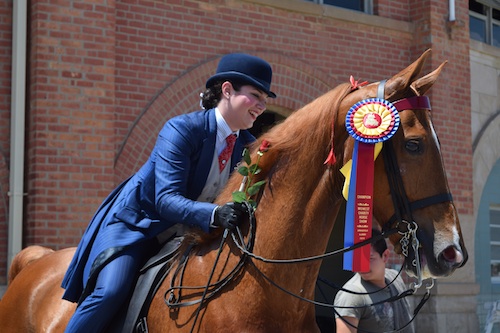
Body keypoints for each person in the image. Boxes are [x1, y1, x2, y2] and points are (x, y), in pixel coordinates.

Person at [61, 53, 276, 332]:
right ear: (227, 90)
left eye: (265, 99)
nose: (261, 105)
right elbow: (165, 200)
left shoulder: (248, 146)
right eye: (255, 95)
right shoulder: (181, 129)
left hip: (191, 234)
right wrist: (215, 213)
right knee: (110, 292)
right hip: (139, 226)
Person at [334, 229, 415, 333]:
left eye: (369, 258)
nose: (362, 266)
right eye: (358, 259)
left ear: (385, 256)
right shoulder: (351, 294)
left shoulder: (395, 279)